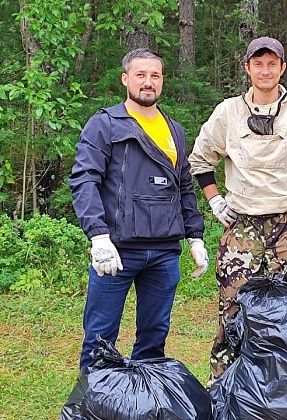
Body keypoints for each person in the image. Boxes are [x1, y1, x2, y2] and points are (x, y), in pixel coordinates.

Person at [189, 36, 287, 380]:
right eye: (258, 63)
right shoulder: (228, 113)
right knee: (233, 309)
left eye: (272, 64)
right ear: (247, 68)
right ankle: (224, 388)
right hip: (243, 226)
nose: (265, 70)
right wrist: (215, 199)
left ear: (282, 68)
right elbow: (199, 159)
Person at [69, 48, 208, 373]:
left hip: (164, 255)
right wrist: (98, 236)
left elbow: (183, 186)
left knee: (154, 339)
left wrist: (195, 236)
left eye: (155, 75)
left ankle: (141, 403)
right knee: (100, 338)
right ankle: (92, 405)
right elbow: (84, 180)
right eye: (140, 75)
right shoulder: (104, 125)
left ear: (162, 81)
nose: (148, 82)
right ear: (125, 79)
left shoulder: (174, 130)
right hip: (115, 252)